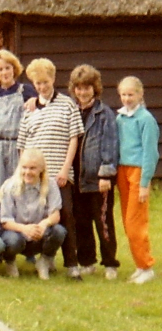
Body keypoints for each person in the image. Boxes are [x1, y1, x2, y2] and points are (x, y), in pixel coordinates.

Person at [17, 58, 84, 280]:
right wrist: (24, 173)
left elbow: (73, 138)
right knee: (40, 215)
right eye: (37, 83)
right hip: (35, 175)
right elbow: (22, 144)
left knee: (65, 215)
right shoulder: (29, 109)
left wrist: (65, 169)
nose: (42, 87)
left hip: (59, 173)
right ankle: (47, 257)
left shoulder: (68, 105)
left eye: (45, 82)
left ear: (53, 79)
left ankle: (72, 265)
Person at [68, 65, 120, 280]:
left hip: (98, 178)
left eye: (87, 88)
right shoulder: (70, 110)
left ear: (95, 88)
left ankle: (110, 263)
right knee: (81, 222)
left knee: (103, 221)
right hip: (76, 178)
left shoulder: (104, 113)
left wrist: (106, 174)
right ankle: (87, 261)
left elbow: (110, 145)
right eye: (79, 88)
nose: (82, 92)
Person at [116, 76, 159, 284]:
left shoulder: (146, 120)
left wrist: (144, 183)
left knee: (136, 222)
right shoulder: (120, 118)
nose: (126, 99)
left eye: (130, 94)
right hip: (122, 171)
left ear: (140, 95)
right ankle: (139, 265)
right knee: (126, 221)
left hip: (138, 171)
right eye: (123, 94)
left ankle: (146, 266)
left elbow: (150, 153)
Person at [0, 149, 67, 280]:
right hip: (17, 233)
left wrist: (43, 224)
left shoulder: (51, 185)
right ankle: (10, 261)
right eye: (24, 167)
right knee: (11, 240)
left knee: (59, 231)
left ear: (41, 169)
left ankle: (44, 261)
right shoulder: (10, 186)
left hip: (39, 234)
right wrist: (25, 229)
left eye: (32, 168)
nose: (27, 172)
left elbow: (55, 215)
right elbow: (5, 221)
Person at [0, 50, 37, 193]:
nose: (4, 72)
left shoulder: (26, 90)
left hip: (17, 146)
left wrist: (35, 100)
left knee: (19, 188)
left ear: (14, 69)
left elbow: (41, 108)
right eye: (0, 69)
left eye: (7, 68)